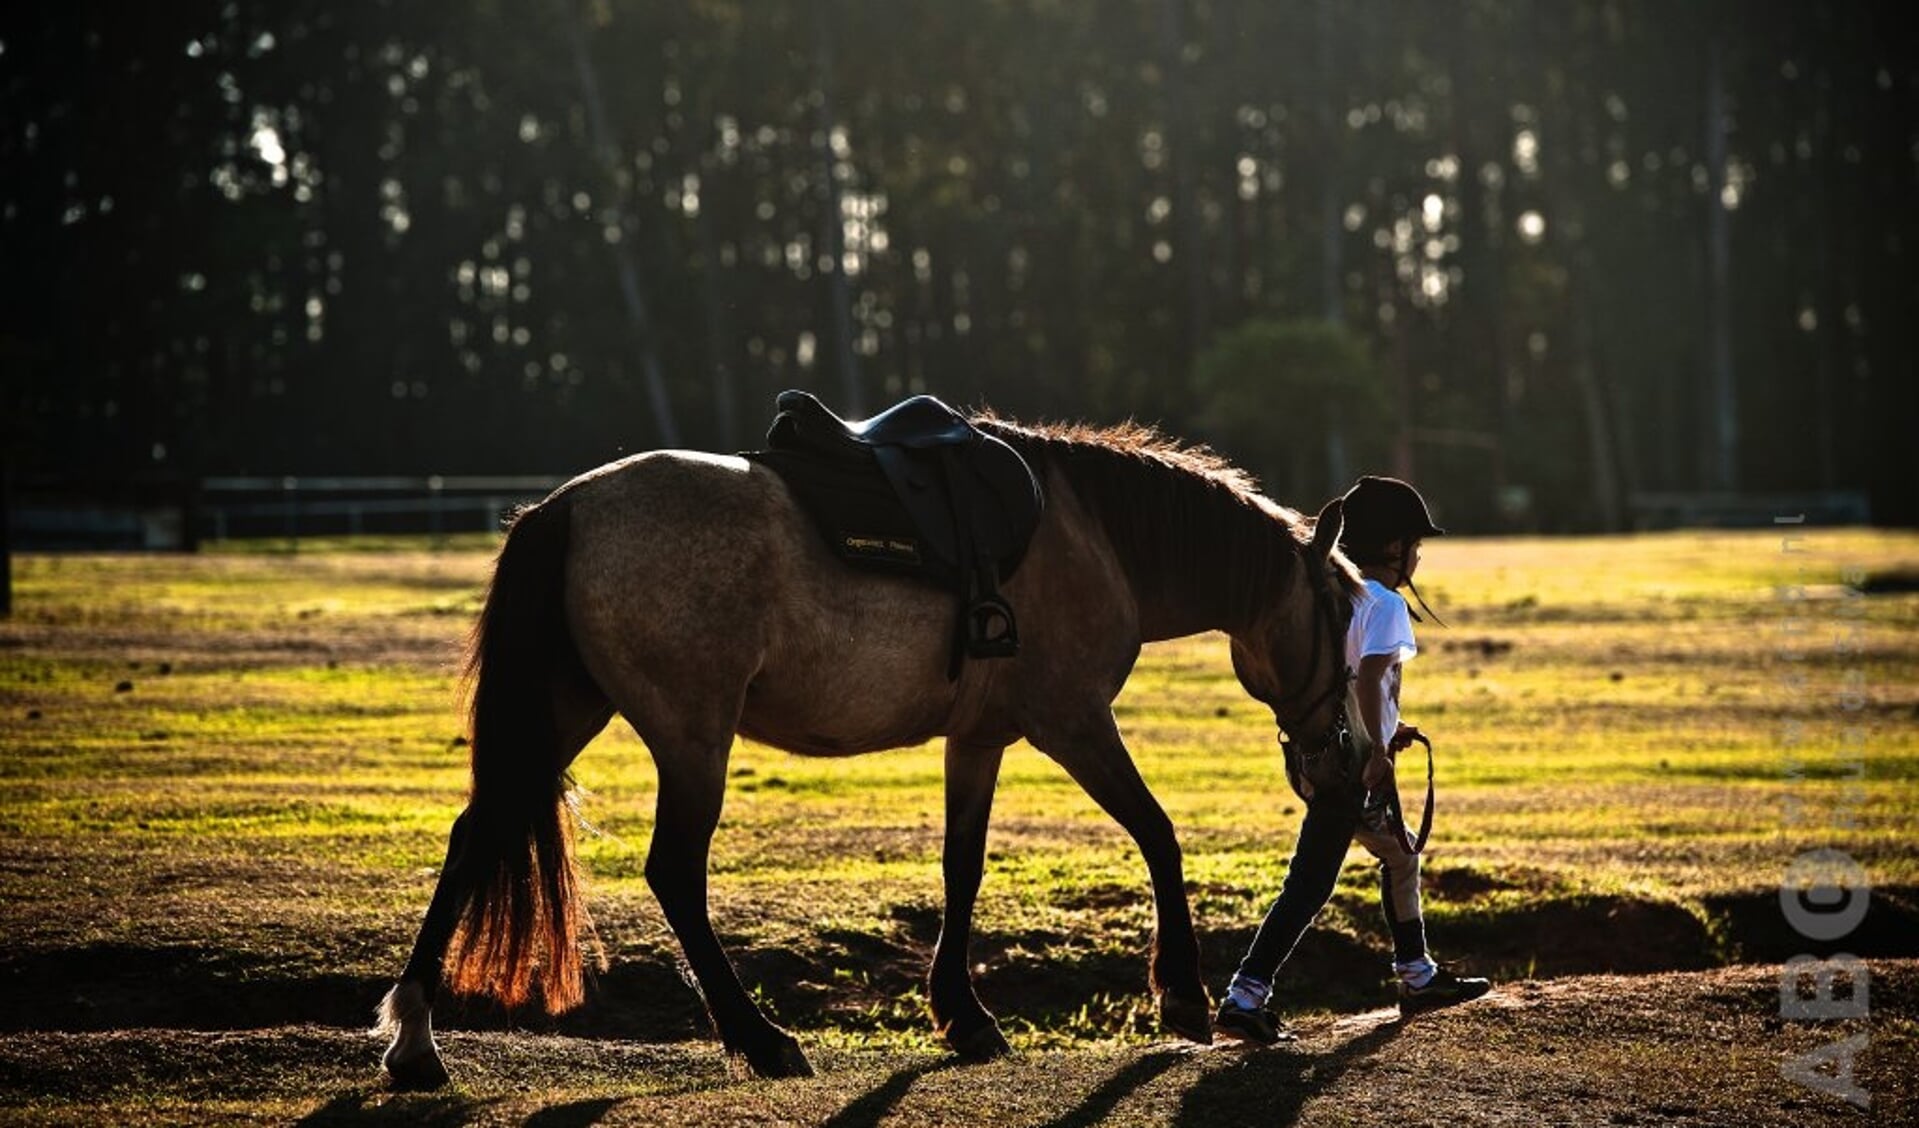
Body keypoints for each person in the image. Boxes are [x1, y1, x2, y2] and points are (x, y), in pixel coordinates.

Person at [1215, 475, 1490, 1044]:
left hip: (1322, 757)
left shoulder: (1342, 596)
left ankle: (1417, 975)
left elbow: (1344, 679)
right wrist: (1379, 751)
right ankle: (1245, 995)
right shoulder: (1386, 603)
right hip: (1356, 765)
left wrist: (1394, 724)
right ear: (1393, 548)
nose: (1418, 555)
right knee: (1311, 885)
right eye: (1415, 544)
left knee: (1399, 855)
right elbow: (1367, 678)